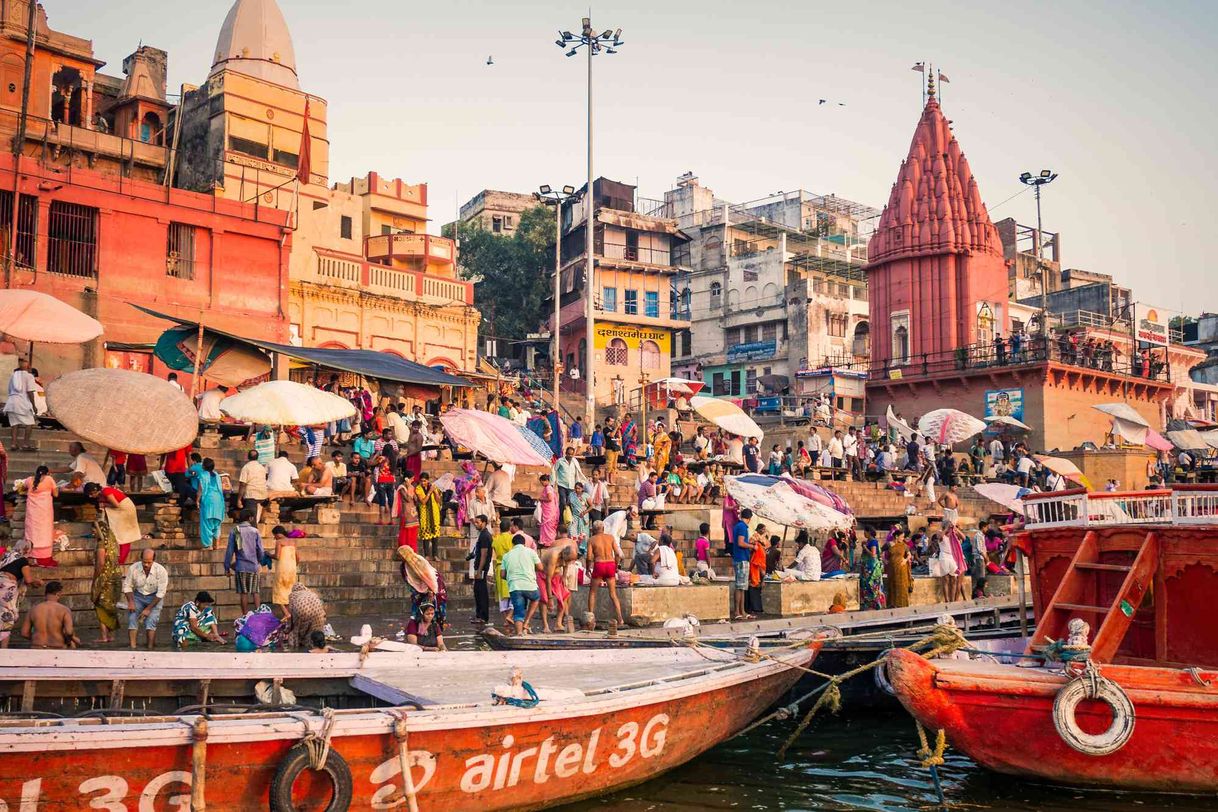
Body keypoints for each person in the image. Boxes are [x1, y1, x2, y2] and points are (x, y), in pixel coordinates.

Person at [121, 548, 167, 649]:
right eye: (144, 562)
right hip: (138, 596)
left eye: (149, 562)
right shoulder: (133, 568)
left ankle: (150, 647)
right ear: (141, 559)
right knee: (132, 618)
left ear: (153, 560)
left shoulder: (161, 570)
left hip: (155, 597)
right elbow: (127, 586)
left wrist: (148, 609)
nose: (146, 565)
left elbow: (161, 592)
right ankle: (132, 647)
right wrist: (131, 602)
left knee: (151, 621)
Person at [1, 540, 42, 647]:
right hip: (7, 589)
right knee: (7, 616)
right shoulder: (23, 560)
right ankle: (3, 649)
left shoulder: (7, 555)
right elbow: (28, 580)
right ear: (26, 549)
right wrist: (38, 581)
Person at [224, 510, 266, 615]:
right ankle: (259, 614)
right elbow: (260, 550)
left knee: (244, 593)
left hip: (241, 566)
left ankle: (245, 615)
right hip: (253, 566)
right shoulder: (255, 531)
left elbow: (230, 550)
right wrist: (260, 561)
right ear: (250, 518)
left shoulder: (236, 531)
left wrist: (227, 567)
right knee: (255, 591)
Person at [501, 534, 543, 635]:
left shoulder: (506, 555)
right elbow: (540, 568)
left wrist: (511, 578)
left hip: (515, 587)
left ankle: (519, 633)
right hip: (530, 586)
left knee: (518, 612)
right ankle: (526, 622)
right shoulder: (531, 552)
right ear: (524, 543)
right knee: (536, 598)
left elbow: (502, 575)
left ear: (513, 544)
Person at [586, 520, 624, 628]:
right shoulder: (610, 537)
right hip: (610, 564)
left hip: (599, 564)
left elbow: (589, 557)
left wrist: (588, 568)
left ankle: (591, 620)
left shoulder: (591, 540)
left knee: (593, 593)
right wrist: (616, 565)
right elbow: (618, 554)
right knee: (613, 594)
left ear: (593, 530)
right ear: (603, 529)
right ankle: (620, 619)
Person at [19, 465, 58, 564]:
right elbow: (56, 494)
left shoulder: (29, 480)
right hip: (45, 511)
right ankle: (43, 557)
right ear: (47, 473)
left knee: (32, 532)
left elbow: (22, 488)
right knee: (44, 531)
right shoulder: (49, 479)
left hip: (32, 511)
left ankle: (31, 556)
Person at [21, 580, 78, 649]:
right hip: (56, 647)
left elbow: (24, 633)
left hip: (37, 647)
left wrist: (36, 638)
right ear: (58, 594)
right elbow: (69, 632)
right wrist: (69, 641)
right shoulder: (64, 610)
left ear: (45, 593)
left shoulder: (33, 610)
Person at [189, 457, 226, 548]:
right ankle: (216, 545)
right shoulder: (217, 475)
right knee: (217, 523)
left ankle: (207, 545)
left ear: (204, 466)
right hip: (219, 501)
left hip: (208, 500)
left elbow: (200, 490)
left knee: (207, 524)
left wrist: (197, 500)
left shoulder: (203, 475)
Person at [4, 357, 38, 451]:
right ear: (28, 367)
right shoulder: (29, 376)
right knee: (30, 422)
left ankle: (13, 444)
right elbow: (30, 392)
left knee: (14, 424)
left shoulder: (13, 375)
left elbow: (9, 390)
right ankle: (25, 444)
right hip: (22, 403)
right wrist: (34, 406)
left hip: (11, 403)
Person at [282, 582, 328, 649]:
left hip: (303, 613)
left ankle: (296, 647)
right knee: (314, 631)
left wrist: (287, 629)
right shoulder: (311, 593)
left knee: (296, 630)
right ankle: (316, 646)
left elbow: (292, 614)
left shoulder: (292, 595)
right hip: (318, 614)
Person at [467, 514, 494, 625]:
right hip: (479, 567)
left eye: (478, 522)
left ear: (484, 523)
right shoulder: (483, 534)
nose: (476, 524)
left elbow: (484, 554)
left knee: (481, 592)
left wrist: (479, 570)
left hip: (481, 568)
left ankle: (482, 616)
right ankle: (479, 615)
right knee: (478, 591)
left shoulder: (485, 536)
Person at [270, 525, 299, 619]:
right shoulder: (293, 542)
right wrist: (293, 566)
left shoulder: (279, 542)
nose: (274, 538)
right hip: (292, 570)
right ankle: (287, 615)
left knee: (278, 591)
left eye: (274, 535)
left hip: (282, 569)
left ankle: (287, 614)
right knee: (288, 592)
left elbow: (277, 556)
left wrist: (268, 554)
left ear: (278, 534)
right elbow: (298, 558)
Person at [731, 508, 754, 621]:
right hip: (742, 559)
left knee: (742, 587)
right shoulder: (742, 527)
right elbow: (741, 543)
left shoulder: (737, 526)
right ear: (749, 518)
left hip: (739, 558)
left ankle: (742, 611)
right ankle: (737, 612)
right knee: (740, 586)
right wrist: (752, 546)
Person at [414, 472, 442, 557]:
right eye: (421, 481)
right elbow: (423, 501)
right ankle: (427, 555)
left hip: (434, 514)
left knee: (435, 536)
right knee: (425, 535)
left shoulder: (434, 487)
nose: (423, 483)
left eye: (425, 481)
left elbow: (438, 501)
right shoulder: (418, 488)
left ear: (428, 480)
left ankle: (435, 555)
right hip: (424, 515)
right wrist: (430, 492)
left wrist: (435, 492)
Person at [237, 449, 269, 520]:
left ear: (248, 457)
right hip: (263, 496)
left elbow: (243, 484)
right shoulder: (262, 467)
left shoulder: (246, 467)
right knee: (255, 519)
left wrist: (239, 499)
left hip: (251, 496)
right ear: (257, 457)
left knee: (252, 520)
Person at [885, 529, 913, 608]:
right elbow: (880, 552)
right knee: (892, 585)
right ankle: (892, 604)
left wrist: (905, 560)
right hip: (892, 568)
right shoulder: (888, 544)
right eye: (902, 537)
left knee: (902, 586)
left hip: (902, 568)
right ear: (896, 536)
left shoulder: (904, 545)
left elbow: (909, 555)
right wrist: (884, 560)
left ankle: (902, 604)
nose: (903, 538)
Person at [858, 538, 887, 610]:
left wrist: (865, 547)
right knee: (868, 587)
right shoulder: (871, 542)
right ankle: (871, 605)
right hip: (869, 570)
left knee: (872, 587)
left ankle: (875, 605)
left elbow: (873, 554)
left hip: (872, 569)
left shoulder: (873, 542)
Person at [554, 446, 583, 514]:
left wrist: (578, 484)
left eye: (571, 454)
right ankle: (561, 518)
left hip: (572, 486)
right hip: (562, 485)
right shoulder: (560, 461)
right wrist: (553, 483)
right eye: (569, 454)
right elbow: (554, 471)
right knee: (562, 501)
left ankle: (568, 518)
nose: (570, 456)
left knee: (570, 502)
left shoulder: (575, 461)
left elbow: (577, 473)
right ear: (566, 453)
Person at [566, 480, 591, 552]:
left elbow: (592, 506)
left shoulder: (586, 495)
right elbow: (568, 503)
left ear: (582, 488)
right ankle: (574, 549)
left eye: (579, 488)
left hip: (583, 518)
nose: (577, 490)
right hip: (574, 517)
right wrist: (567, 508)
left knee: (583, 534)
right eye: (576, 488)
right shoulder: (571, 495)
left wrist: (584, 512)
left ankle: (583, 550)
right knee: (572, 532)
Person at [536, 473, 559, 547]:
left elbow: (550, 498)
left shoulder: (548, 488)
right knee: (547, 526)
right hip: (549, 510)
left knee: (548, 526)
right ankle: (546, 542)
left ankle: (549, 542)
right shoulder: (549, 488)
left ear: (546, 480)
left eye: (542, 482)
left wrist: (541, 499)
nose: (542, 484)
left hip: (549, 511)